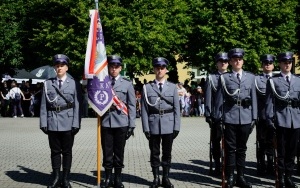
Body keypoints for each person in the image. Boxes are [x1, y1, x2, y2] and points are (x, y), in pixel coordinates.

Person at [214, 48, 257, 188]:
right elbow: (219, 101)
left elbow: (254, 99)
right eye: (234, 59)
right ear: (231, 62)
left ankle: (241, 177)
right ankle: (230, 176)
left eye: (240, 59)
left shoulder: (251, 77)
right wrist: (218, 118)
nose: (237, 61)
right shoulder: (224, 78)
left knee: (242, 149)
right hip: (229, 117)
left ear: (242, 61)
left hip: (245, 117)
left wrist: (254, 118)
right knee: (230, 149)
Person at [40, 54, 82, 188]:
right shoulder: (47, 84)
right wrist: (43, 122)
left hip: (68, 122)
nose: (59, 68)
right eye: (57, 66)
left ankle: (66, 178)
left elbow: (77, 105)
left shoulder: (74, 84)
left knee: (67, 152)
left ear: (67, 68)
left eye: (62, 66)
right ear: (54, 67)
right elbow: (43, 105)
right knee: (55, 152)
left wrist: (76, 123)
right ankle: (56, 177)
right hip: (52, 121)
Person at [141, 57, 181, 188]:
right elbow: (145, 110)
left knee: (167, 153)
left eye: (162, 68)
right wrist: (145, 128)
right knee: (154, 153)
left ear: (166, 70)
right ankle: (156, 178)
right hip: (153, 124)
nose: (159, 70)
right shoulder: (147, 88)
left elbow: (177, 109)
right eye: (157, 68)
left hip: (169, 124)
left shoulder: (173, 87)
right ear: (154, 69)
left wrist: (177, 126)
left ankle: (166, 178)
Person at [265, 52, 300, 188]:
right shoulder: (273, 81)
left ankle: (289, 176)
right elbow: (269, 102)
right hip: (280, 119)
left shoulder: (298, 80)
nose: (287, 64)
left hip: (296, 119)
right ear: (279, 64)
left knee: (292, 151)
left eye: (289, 62)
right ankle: (281, 177)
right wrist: (269, 118)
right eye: (285, 62)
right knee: (281, 151)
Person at [101, 55, 136, 188]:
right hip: (106, 122)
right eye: (111, 66)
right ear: (108, 67)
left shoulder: (127, 84)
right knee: (107, 152)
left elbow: (132, 106)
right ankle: (108, 178)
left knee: (119, 152)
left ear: (120, 68)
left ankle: (118, 178)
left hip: (122, 122)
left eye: (116, 67)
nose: (114, 69)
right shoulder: (102, 83)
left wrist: (132, 125)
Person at [204, 52, 229, 176]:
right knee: (216, 141)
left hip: (230, 115)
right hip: (217, 115)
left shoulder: (232, 76)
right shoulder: (212, 78)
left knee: (230, 142)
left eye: (225, 61)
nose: (223, 63)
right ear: (217, 63)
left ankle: (228, 165)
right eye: (220, 61)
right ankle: (217, 165)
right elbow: (208, 97)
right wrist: (208, 114)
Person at [254, 54, 275, 176]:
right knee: (261, 141)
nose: (268, 65)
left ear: (273, 65)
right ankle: (261, 164)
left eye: (270, 63)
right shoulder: (256, 80)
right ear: (262, 65)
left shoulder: (277, 79)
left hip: (274, 117)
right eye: (265, 63)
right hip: (261, 116)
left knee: (271, 142)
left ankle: (271, 164)